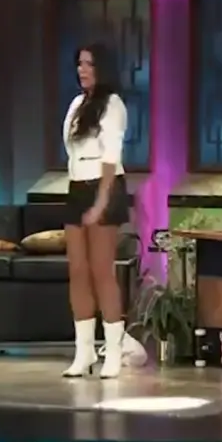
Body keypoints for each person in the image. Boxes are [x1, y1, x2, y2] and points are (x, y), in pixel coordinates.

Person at [61, 43, 132, 379]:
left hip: (104, 187)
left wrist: (101, 202)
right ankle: (84, 350)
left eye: (89, 64)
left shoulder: (113, 104)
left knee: (102, 270)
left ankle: (114, 350)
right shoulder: (77, 104)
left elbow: (110, 156)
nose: (82, 69)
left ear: (103, 68)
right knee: (78, 270)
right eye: (79, 63)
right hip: (77, 187)